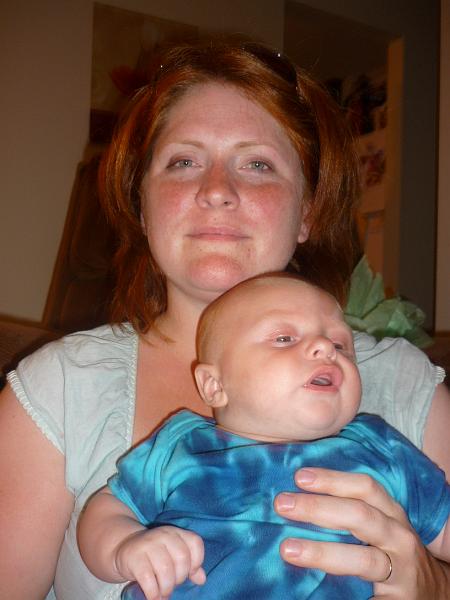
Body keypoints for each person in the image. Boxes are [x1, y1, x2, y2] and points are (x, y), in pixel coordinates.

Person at [1, 38, 449, 599]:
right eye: (184, 161)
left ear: (307, 211)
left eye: (257, 164)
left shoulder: (404, 388)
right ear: (142, 204)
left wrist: (435, 587)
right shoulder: (60, 391)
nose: (216, 191)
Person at [78, 273, 450, 599]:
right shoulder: (182, 445)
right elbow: (107, 511)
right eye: (284, 338)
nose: (325, 348)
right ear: (214, 385)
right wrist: (126, 546)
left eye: (340, 345)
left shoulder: (380, 447)